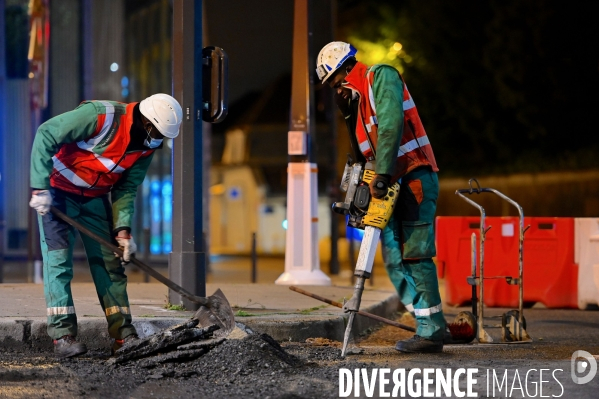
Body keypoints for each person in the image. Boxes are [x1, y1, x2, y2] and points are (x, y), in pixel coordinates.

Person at [29, 93, 183, 358]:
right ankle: (63, 336)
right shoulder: (101, 116)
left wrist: (122, 231)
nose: (158, 140)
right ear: (147, 121)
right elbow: (46, 133)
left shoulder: (148, 145)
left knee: (111, 265)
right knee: (58, 264)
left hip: (93, 199)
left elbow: (127, 187)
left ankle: (123, 337)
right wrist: (39, 187)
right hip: (58, 194)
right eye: (156, 132)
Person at [316, 42, 446, 353]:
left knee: (415, 252)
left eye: (335, 83)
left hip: (413, 177)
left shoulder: (380, 78)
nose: (336, 91)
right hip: (389, 185)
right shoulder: (357, 106)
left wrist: (383, 175)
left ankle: (431, 331)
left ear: (346, 70)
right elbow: (362, 155)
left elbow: (390, 127)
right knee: (392, 255)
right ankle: (430, 322)